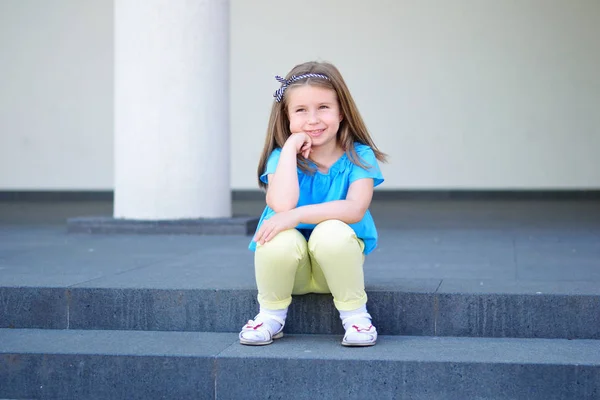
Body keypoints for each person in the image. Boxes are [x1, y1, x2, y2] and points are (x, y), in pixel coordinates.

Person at [239, 61, 387, 347]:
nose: (313, 119)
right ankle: (270, 315)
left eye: (323, 107)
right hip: (288, 272)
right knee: (276, 235)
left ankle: (356, 316)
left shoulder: (359, 156)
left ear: (342, 111)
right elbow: (282, 204)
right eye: (301, 110)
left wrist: (297, 216)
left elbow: (355, 209)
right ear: (287, 117)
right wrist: (291, 149)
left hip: (334, 267)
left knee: (332, 230)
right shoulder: (280, 158)